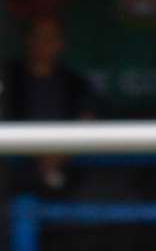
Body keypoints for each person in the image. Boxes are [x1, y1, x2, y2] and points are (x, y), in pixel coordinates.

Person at [3, 16, 97, 195]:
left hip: (64, 166)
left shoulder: (75, 83)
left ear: (60, 44)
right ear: (27, 40)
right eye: (37, 36)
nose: (43, 43)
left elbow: (87, 121)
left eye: (50, 38)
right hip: (14, 162)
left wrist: (57, 157)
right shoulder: (7, 77)